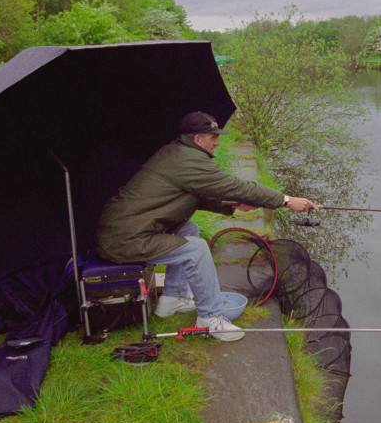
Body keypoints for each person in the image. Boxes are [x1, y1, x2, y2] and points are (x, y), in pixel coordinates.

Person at [96, 111, 319, 341]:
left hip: (126, 230)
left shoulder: (177, 154)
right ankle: (211, 318)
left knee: (189, 230)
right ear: (197, 139)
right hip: (124, 239)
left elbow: (191, 195)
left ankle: (172, 299)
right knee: (196, 248)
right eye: (212, 136)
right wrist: (285, 200)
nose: (217, 141)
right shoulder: (188, 161)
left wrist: (232, 206)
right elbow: (236, 186)